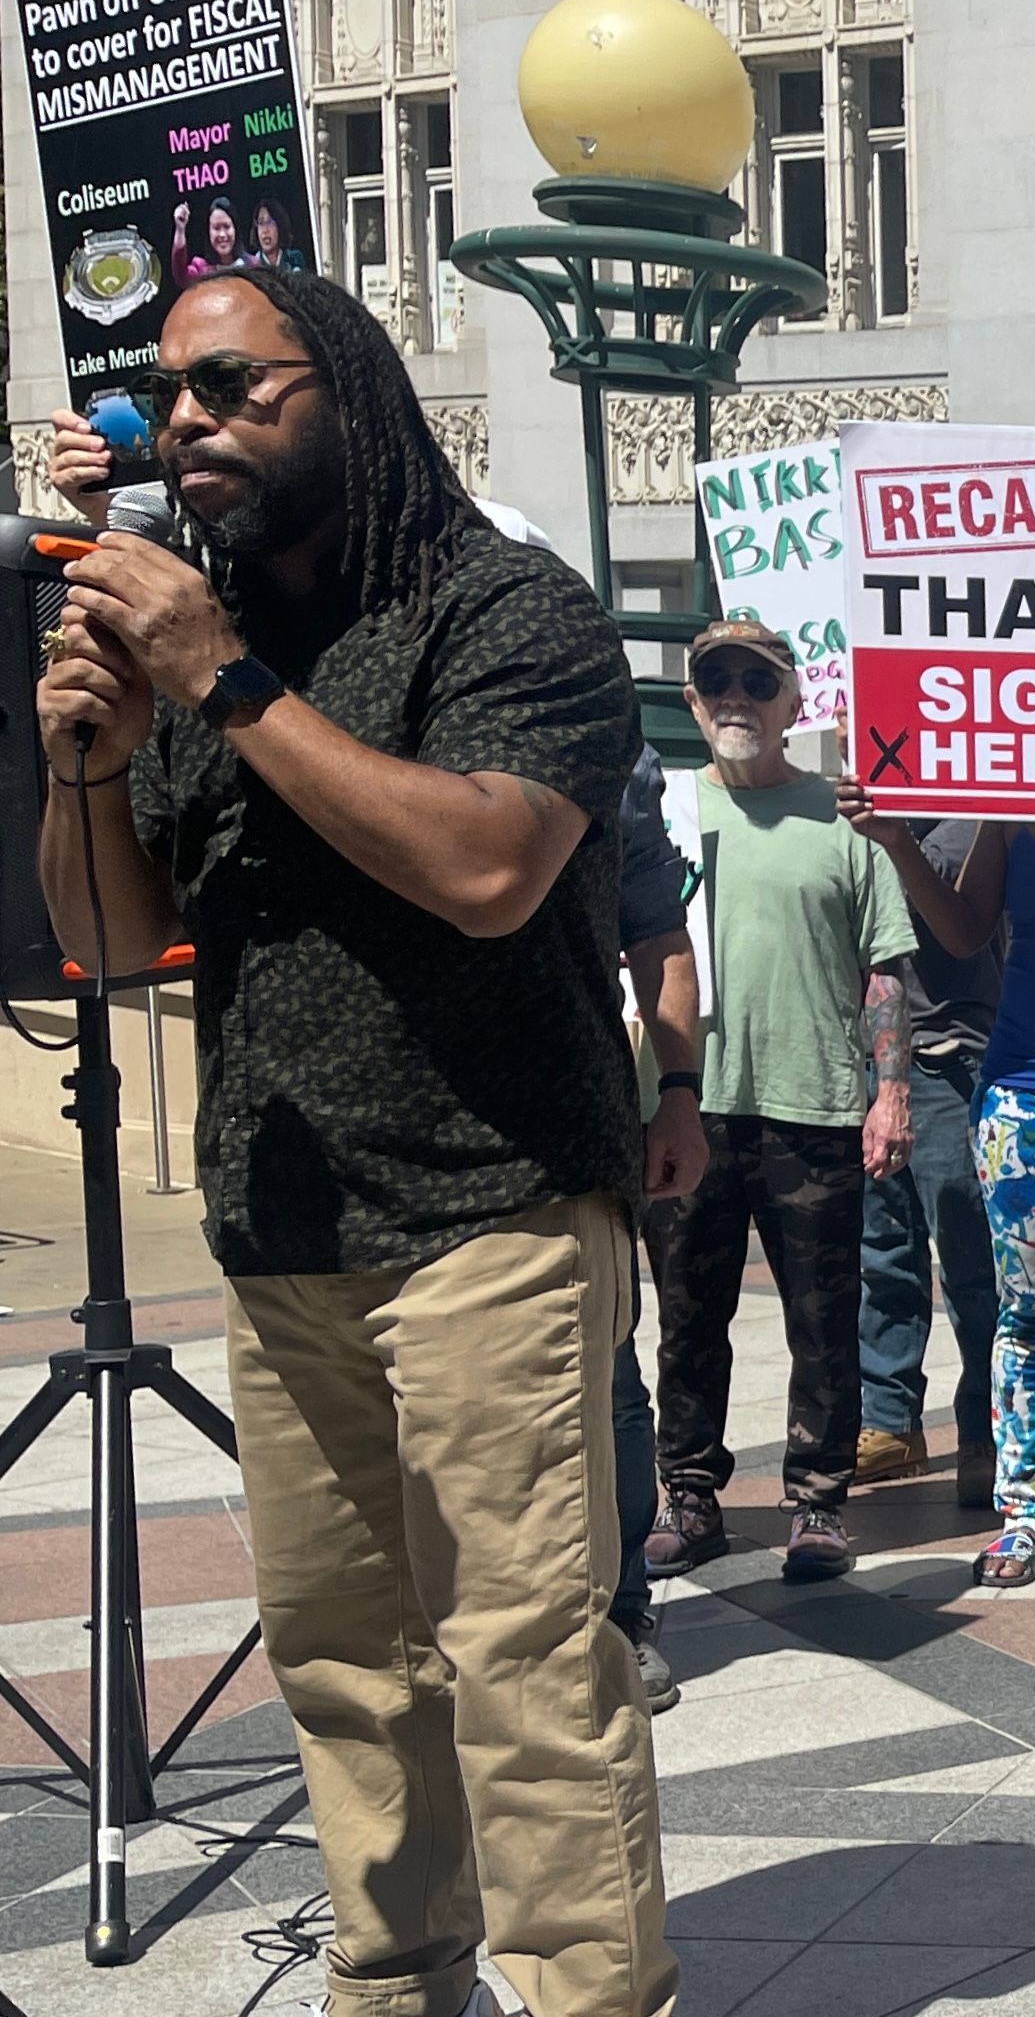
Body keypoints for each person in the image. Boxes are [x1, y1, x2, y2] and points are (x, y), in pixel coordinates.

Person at [35, 266, 672, 2014]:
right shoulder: (214, 631)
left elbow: (486, 868)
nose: (186, 426)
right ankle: (393, 1983)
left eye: (234, 386)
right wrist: (89, 760)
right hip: (287, 1228)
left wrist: (221, 677)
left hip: (490, 1214)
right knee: (342, 1666)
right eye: (170, 396)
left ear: (354, 394)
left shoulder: (503, 607)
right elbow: (106, 941)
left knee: (529, 1666)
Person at [633, 621, 916, 1583]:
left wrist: (890, 1091)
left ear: (796, 701)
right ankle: (690, 1494)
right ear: (693, 705)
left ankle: (819, 1503)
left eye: (759, 680)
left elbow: (885, 968)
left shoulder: (847, 818)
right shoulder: (662, 817)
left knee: (823, 1317)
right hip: (686, 1105)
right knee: (685, 1313)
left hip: (817, 1106)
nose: (737, 698)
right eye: (718, 683)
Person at [847, 780, 1035, 1587]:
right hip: (1022, 1087)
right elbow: (961, 932)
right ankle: (1024, 1509)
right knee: (1025, 1311)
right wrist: (894, 840)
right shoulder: (1012, 805)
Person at [850, 807, 1006, 1505]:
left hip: (951, 1058)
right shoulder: (850, 818)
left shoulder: (974, 820)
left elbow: (965, 934)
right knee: (882, 1250)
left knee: (972, 1261)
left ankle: (982, 1427)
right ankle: (890, 1421)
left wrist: (894, 842)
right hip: (867, 1058)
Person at [613, 740, 706, 1712]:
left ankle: (623, 1607)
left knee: (608, 1380)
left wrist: (677, 1091)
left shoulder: (589, 724)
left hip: (573, 1132)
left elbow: (659, 934)